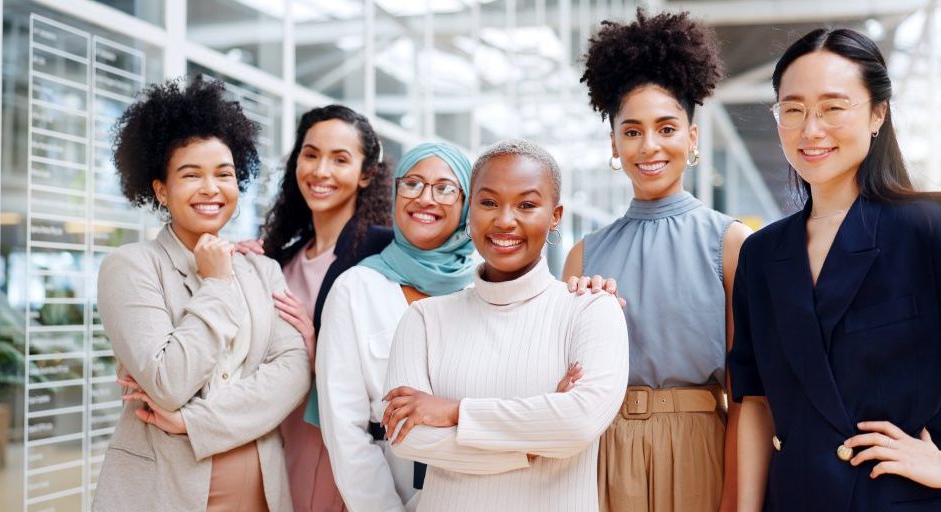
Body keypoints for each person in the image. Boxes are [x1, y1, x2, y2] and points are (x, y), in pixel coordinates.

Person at [728, 28, 941, 512]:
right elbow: (755, 403)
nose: (810, 129)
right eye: (792, 109)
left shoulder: (935, 226)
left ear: (878, 113)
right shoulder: (761, 254)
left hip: (901, 499)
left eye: (833, 108)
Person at [93, 76, 310, 511]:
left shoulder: (262, 269)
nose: (211, 188)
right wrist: (215, 283)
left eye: (224, 174)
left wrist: (194, 422)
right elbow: (169, 382)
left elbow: (293, 371)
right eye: (191, 174)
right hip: (164, 492)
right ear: (160, 189)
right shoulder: (132, 267)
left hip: (262, 493)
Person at [382, 139, 629, 511]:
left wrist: (454, 412)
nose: (504, 220)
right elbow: (406, 438)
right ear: (470, 211)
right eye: (488, 203)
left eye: (527, 205)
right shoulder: (425, 319)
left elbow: (578, 423)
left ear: (555, 215)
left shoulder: (592, 310)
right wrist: (532, 446)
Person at [570, 10, 749, 511]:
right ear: (614, 143)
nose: (649, 146)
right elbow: (564, 382)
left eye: (666, 128)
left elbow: (746, 395)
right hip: (603, 452)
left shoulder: (729, 242)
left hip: (700, 448)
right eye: (631, 131)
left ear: (692, 138)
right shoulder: (584, 254)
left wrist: (736, 498)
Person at [239, 104, 393, 512]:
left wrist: (318, 346)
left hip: (334, 443)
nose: (321, 171)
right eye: (311, 154)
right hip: (274, 437)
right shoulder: (280, 259)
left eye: (340, 159)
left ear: (366, 174)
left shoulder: (382, 254)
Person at [315, 142, 477, 511]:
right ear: (395, 192)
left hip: (477, 488)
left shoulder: (485, 286)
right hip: (388, 486)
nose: (426, 198)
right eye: (413, 183)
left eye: (445, 188)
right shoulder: (356, 288)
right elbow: (344, 428)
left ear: (467, 201)